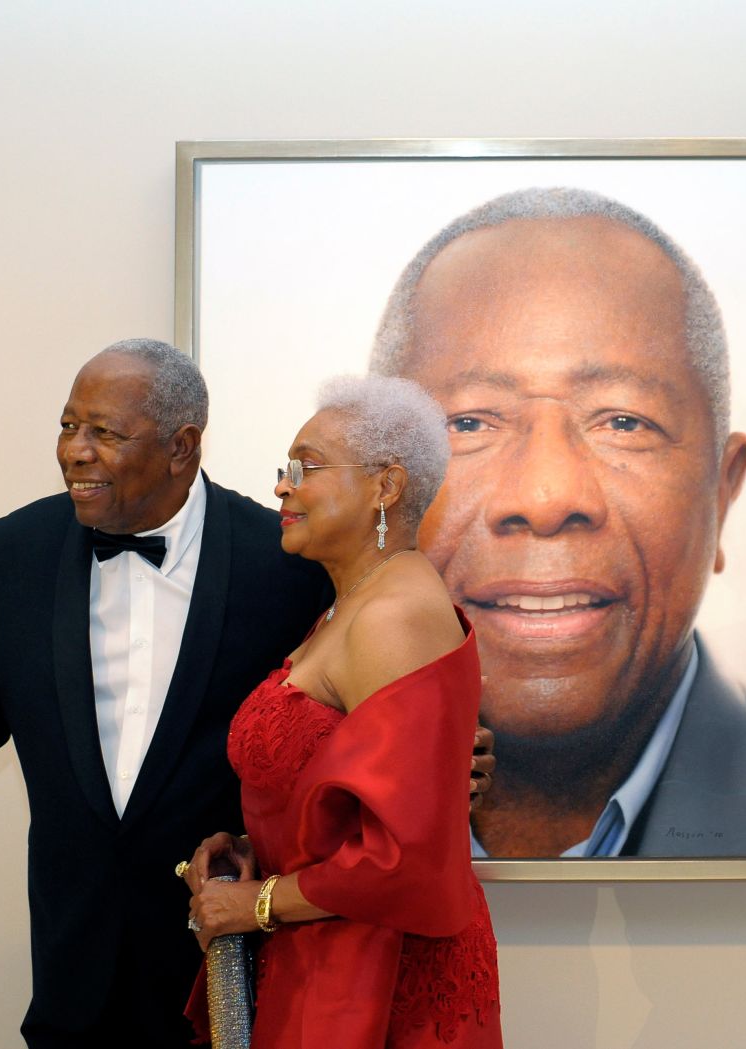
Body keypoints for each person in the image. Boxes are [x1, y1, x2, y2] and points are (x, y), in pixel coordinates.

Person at [0, 342, 493, 1048]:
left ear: (181, 447)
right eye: (68, 426)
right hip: (76, 959)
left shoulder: (286, 560)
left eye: (104, 432)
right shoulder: (16, 553)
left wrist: (456, 756)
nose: (75, 451)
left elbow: (385, 719)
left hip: (238, 969)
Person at [370, 187, 746, 859]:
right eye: (466, 422)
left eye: (623, 421)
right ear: (375, 493)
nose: (546, 496)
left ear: (722, 493)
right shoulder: (262, 818)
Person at [183, 375, 500, 1049]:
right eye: (284, 469)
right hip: (333, 951)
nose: (282, 487)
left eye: (307, 467)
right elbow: (339, 798)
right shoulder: (346, 606)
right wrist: (251, 851)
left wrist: (258, 902)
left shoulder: (396, 617)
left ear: (386, 486)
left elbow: (404, 857)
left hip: (382, 976)